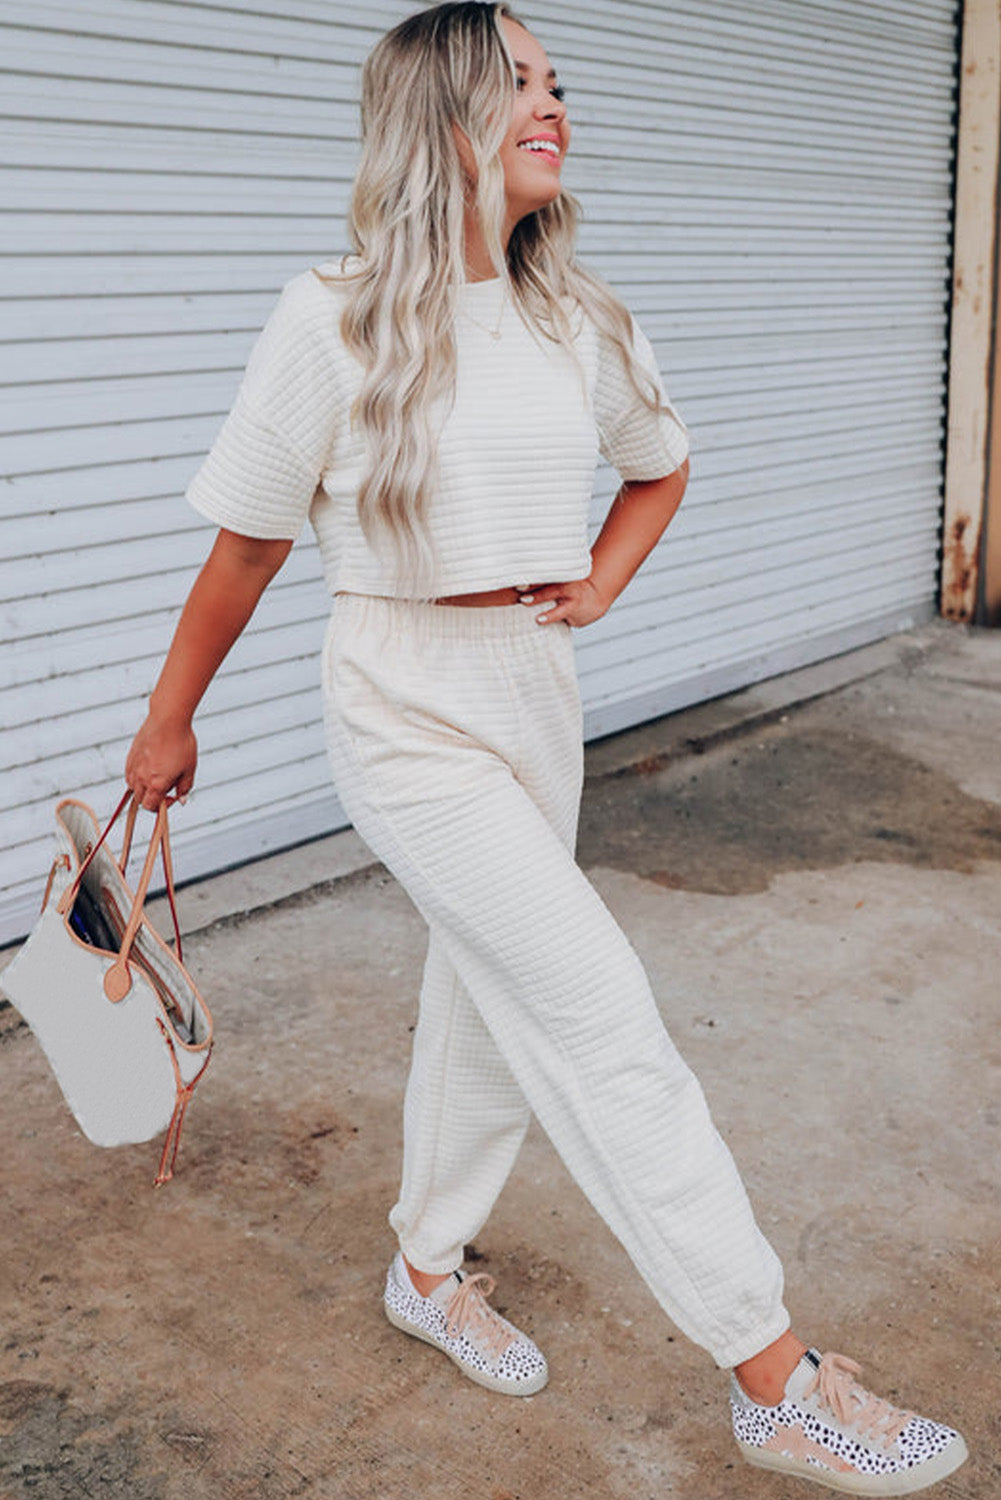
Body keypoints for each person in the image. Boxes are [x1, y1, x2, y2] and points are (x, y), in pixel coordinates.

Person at [125, 4, 968, 1491]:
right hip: (399, 706)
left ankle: (426, 1268)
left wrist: (596, 582)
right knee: (598, 1015)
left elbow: (661, 465)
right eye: (517, 81)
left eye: (557, 81)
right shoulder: (325, 316)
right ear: (438, 114)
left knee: (488, 992)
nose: (553, 102)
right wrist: (167, 717)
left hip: (532, 691)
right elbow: (248, 549)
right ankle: (769, 1372)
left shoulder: (581, 319)